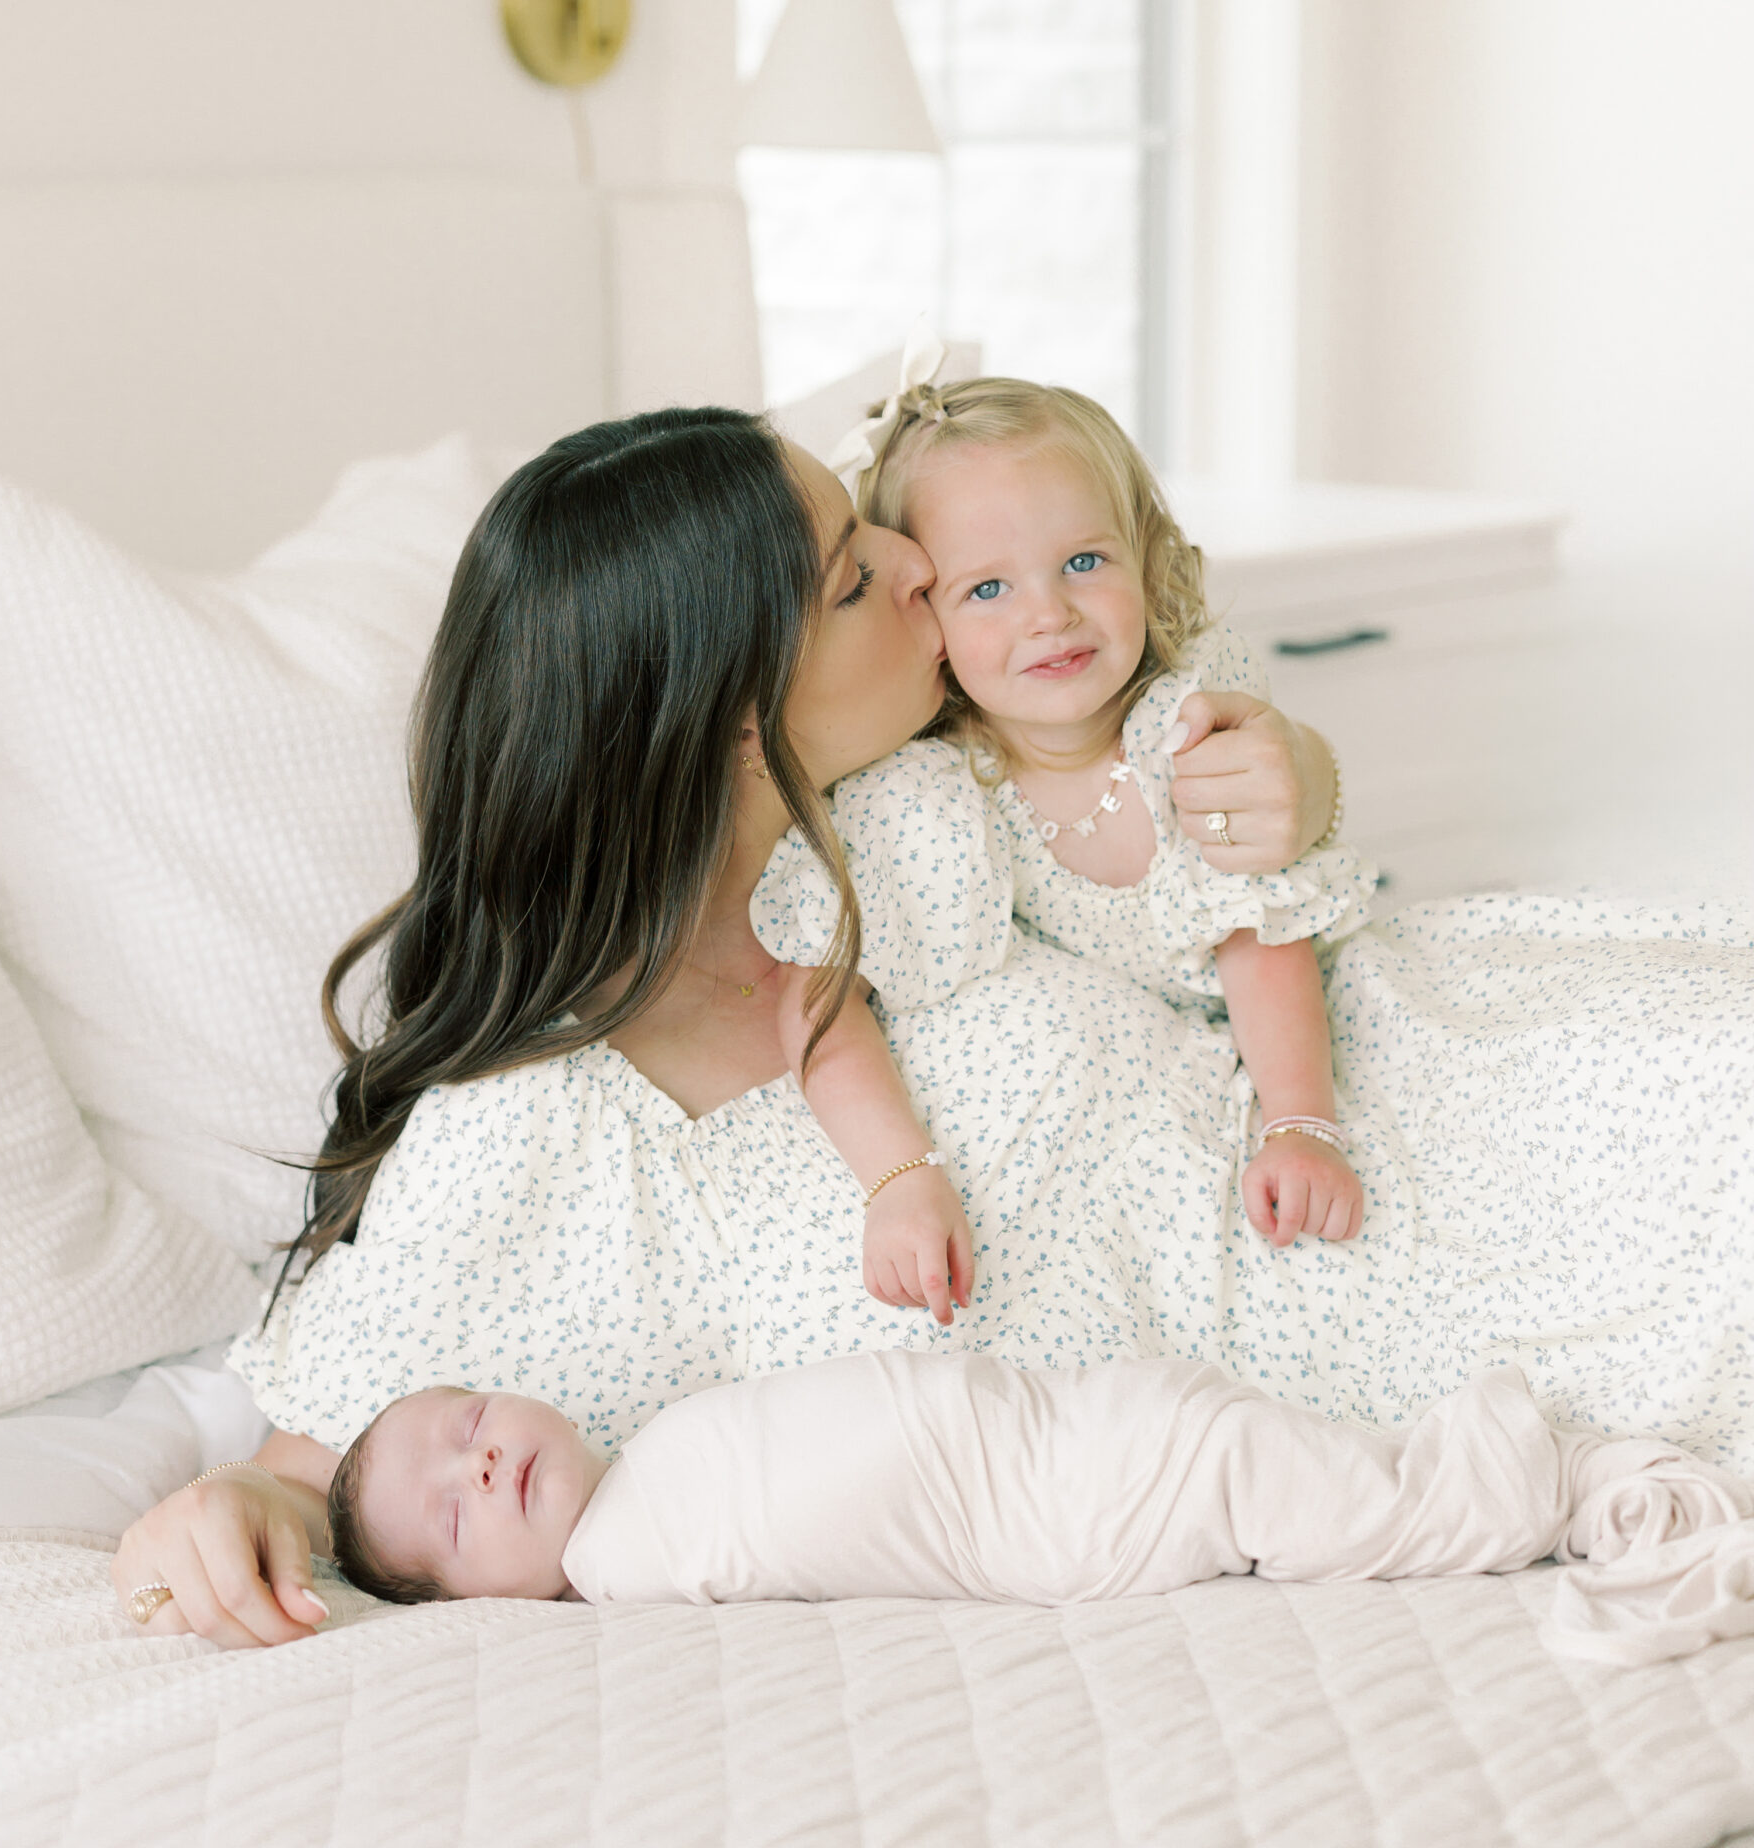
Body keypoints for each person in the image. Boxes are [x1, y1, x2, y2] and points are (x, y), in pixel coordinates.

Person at [111, 402, 1754, 1652]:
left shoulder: (936, 792)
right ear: (730, 730)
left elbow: (1173, 765)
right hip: (1359, 1331)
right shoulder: (543, 1126)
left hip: (1404, 1107)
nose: (918, 565)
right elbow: (329, 1449)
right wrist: (238, 1504)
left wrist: (1293, 777)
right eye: (852, 576)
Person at [837, 359, 1372, 1250]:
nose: (1050, 615)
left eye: (1084, 561)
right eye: (988, 589)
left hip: (1283, 1045)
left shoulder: (1183, 721)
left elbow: (1258, 933)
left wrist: (1299, 1126)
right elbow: (845, 998)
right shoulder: (937, 788)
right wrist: (899, 1181)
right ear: (924, 616)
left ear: (1144, 553)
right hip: (1126, 1085)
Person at [323, 1353, 1743, 1639]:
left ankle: (1515, 1469)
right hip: (1074, 1515)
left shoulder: (653, 1450)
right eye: (455, 1513)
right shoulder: (626, 1583)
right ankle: (1534, 1480)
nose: (483, 1460)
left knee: (1281, 1459)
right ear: (470, 1604)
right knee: (1307, 1493)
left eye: (465, 1420)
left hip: (1070, 1428)